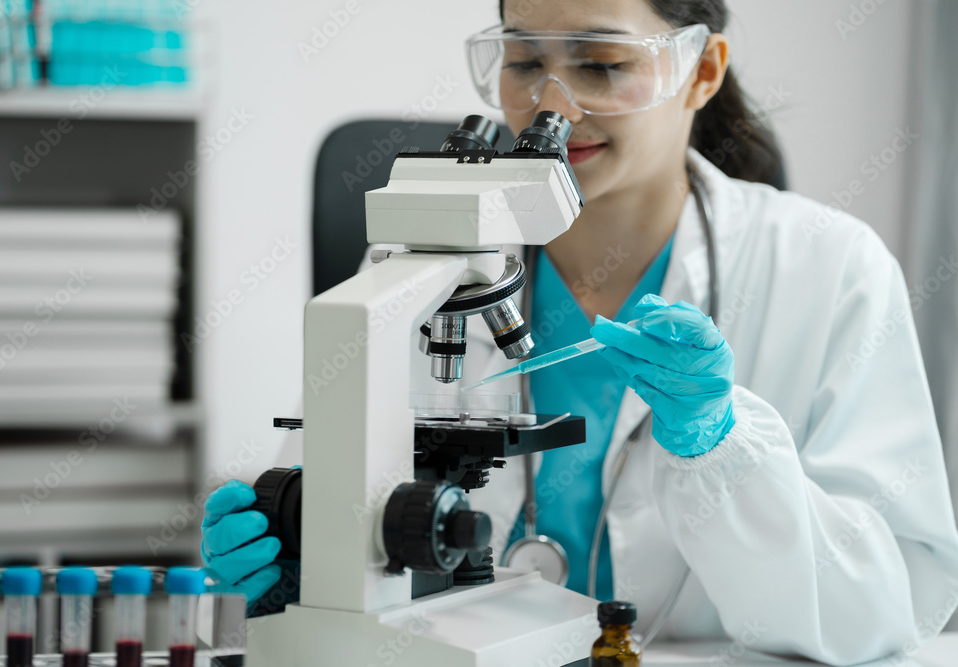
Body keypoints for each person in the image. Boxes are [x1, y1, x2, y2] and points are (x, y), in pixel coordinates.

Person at [201, 1, 958, 664]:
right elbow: (313, 507)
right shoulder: (423, 259)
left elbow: (895, 606)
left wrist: (725, 450)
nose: (550, 103)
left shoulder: (830, 269)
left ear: (701, 70)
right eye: (524, 59)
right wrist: (286, 557)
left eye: (601, 64)